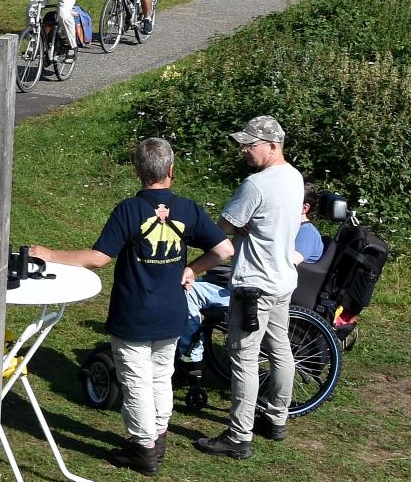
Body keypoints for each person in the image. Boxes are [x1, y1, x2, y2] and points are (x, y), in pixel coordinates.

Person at [30, 138, 232, 475]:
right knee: (161, 376)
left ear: (137, 170)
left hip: (134, 313)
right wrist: (192, 268)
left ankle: (143, 448)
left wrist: (50, 255)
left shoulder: (129, 210)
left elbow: (98, 258)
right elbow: (224, 250)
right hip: (172, 312)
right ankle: (159, 437)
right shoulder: (188, 209)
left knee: (137, 380)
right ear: (171, 170)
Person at [196, 115, 305, 460]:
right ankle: (276, 419)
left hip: (253, 286)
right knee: (281, 349)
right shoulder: (295, 177)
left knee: (244, 358)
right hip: (283, 281)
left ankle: (239, 435)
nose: (243, 150)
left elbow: (223, 228)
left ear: (273, 146)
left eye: (250, 144)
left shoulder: (255, 185)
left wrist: (240, 228)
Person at [179, 183, 323, 364]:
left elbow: (284, 264)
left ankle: (191, 358)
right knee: (196, 284)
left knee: (188, 291)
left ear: (304, 208)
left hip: (262, 296)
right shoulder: (289, 229)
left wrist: (254, 237)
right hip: (256, 287)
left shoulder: (307, 234)